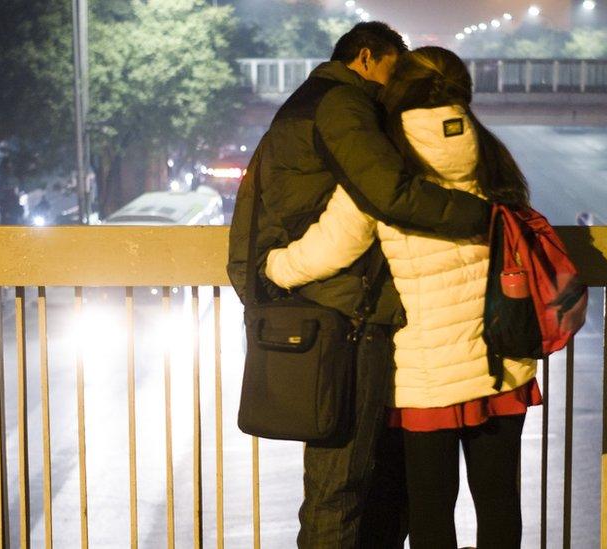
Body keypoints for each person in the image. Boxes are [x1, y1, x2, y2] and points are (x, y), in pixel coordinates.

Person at [226, 24, 491, 548]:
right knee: (340, 485)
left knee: (368, 484)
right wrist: (483, 215)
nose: (399, 83)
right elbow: (387, 194)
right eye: (396, 67)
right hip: (341, 314)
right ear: (367, 58)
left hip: (335, 307)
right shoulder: (342, 105)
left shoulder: (313, 101)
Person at [265, 46, 540, 548]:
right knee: (500, 508)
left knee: (431, 514)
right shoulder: (490, 156)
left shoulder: (386, 166)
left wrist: (272, 265)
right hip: (502, 361)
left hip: (428, 373)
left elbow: (331, 247)